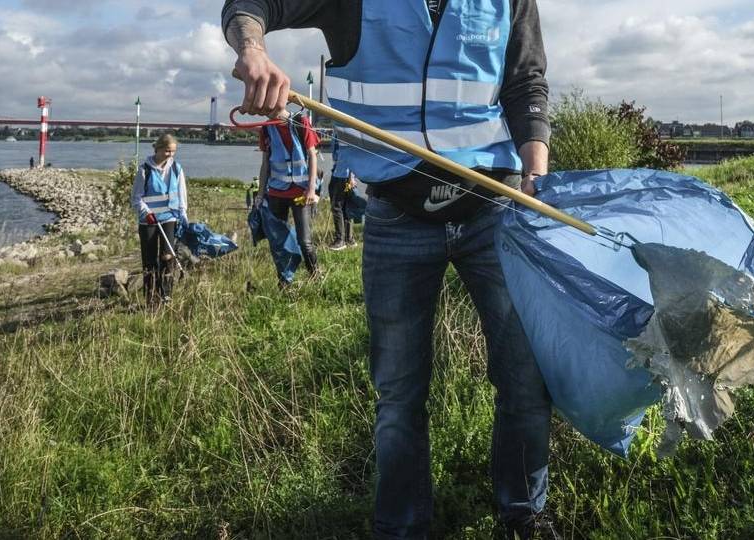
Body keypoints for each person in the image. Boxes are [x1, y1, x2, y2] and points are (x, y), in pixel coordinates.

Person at [223, 1, 557, 538]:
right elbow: (250, 6)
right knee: (399, 393)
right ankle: (401, 527)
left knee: (524, 377)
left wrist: (535, 171)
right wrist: (253, 49)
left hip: (495, 209)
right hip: (396, 214)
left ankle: (523, 514)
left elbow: (526, 82)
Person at [253, 109, 320, 285]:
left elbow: (312, 155)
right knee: (278, 241)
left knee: (304, 241)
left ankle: (316, 276)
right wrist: (260, 194)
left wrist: (312, 189)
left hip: (301, 192)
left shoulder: (301, 122)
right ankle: (284, 281)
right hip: (276, 191)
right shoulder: (266, 128)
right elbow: (265, 162)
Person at [131, 134, 189, 305]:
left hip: (169, 218)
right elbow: (136, 198)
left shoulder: (177, 169)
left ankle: (166, 294)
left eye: (173, 152)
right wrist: (146, 212)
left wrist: (183, 213)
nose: (170, 155)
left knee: (167, 256)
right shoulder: (144, 170)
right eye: (167, 151)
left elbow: (181, 193)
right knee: (149, 260)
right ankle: (151, 296)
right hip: (148, 221)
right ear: (158, 149)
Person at [327, 140, 358, 250]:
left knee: (337, 207)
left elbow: (352, 153)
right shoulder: (339, 128)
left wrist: (352, 177)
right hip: (339, 171)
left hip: (342, 174)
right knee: (345, 208)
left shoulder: (343, 129)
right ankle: (349, 239)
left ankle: (340, 240)